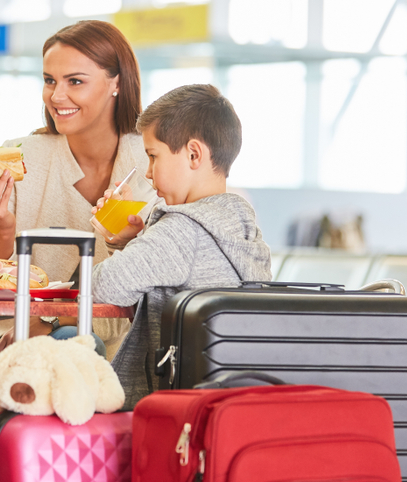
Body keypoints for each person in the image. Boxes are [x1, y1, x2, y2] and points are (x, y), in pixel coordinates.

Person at [0, 20, 148, 379]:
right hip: (11, 334)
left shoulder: (151, 163)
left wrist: (50, 322)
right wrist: (1, 228)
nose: (56, 95)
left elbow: (152, 281)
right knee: (71, 351)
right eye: (49, 80)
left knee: (76, 347)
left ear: (117, 83)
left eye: (75, 81)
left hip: (122, 344)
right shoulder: (20, 158)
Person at [90, 84, 272, 408]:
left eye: (152, 156)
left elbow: (105, 285)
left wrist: (145, 242)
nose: (147, 173)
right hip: (229, 403)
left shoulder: (181, 229)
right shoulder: (244, 230)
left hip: (172, 409)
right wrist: (135, 242)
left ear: (193, 154)